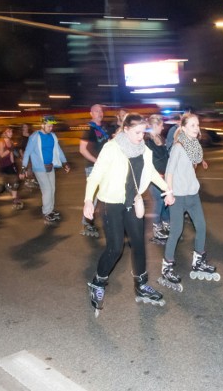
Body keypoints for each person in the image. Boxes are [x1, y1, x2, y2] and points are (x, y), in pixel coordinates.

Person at [84, 113, 174, 315]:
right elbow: (96, 175)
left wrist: (167, 189)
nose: (141, 136)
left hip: (133, 202)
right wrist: (89, 200)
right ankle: (98, 283)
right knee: (115, 248)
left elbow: (150, 172)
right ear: (125, 130)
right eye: (137, 132)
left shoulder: (144, 149)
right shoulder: (112, 148)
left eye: (143, 132)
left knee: (139, 244)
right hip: (111, 203)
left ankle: (141, 285)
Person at [158, 113, 220, 293]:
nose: (196, 128)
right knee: (176, 232)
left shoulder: (194, 146)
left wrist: (200, 164)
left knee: (201, 226)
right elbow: (169, 172)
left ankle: (198, 261)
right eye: (192, 125)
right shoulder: (178, 147)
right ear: (183, 128)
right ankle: (167, 267)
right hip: (178, 196)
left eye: (197, 125)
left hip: (193, 194)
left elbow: (193, 163)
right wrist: (169, 193)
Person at [22, 115, 70, 224]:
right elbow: (27, 152)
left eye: (52, 126)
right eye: (49, 126)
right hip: (39, 168)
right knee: (47, 189)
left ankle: (50, 210)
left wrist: (65, 162)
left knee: (52, 188)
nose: (51, 128)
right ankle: (46, 212)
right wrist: (23, 167)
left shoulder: (52, 136)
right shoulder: (35, 137)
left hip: (50, 166)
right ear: (42, 125)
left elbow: (58, 150)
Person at [79, 104, 110, 237]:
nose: (100, 113)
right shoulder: (89, 128)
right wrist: (96, 161)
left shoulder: (102, 128)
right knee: (92, 198)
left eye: (101, 111)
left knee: (105, 194)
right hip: (93, 167)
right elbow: (82, 149)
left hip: (106, 166)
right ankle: (86, 223)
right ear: (91, 113)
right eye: (96, 111)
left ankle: (108, 219)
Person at [145, 114, 171, 245]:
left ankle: (166, 225)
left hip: (165, 176)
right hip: (155, 178)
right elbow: (150, 161)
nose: (163, 127)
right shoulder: (147, 141)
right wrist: (158, 174)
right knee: (159, 202)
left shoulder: (160, 138)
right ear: (155, 125)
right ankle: (156, 229)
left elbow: (166, 155)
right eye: (161, 125)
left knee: (165, 202)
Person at [0, 127, 24, 213]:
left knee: (15, 182)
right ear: (4, 133)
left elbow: (11, 155)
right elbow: (1, 155)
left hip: (9, 166)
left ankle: (15, 201)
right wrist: (10, 149)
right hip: (1, 167)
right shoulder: (1, 142)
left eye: (11, 131)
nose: (11, 133)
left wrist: (14, 165)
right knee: (0, 188)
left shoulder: (11, 142)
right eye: (9, 131)